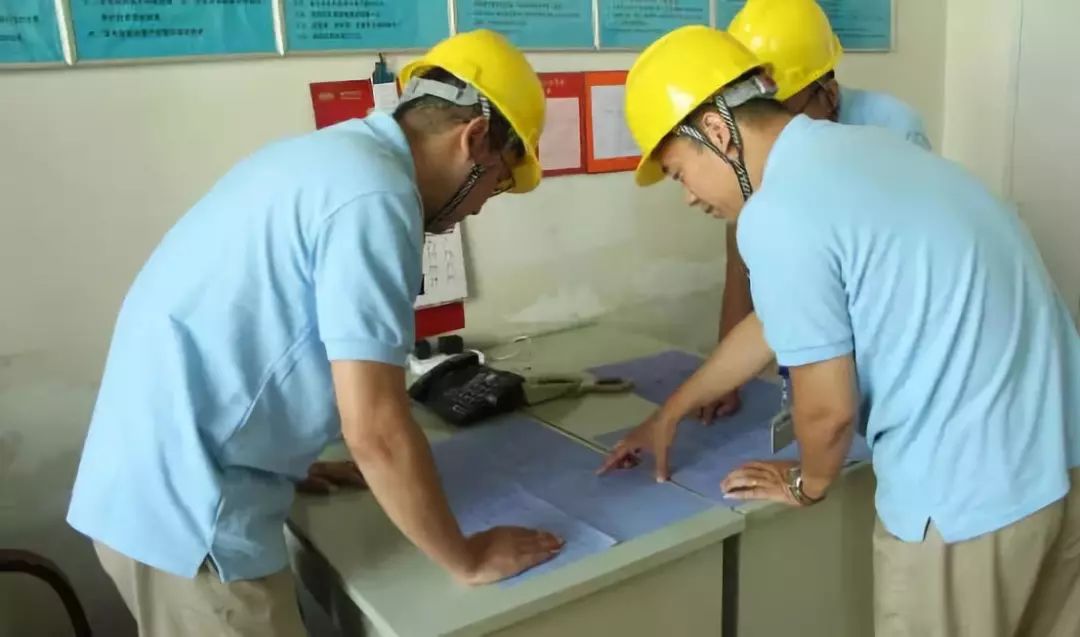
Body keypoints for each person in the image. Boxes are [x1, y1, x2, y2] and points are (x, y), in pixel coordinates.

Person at [66, 29, 562, 637]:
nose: (484, 203)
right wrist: (468, 557)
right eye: (500, 179)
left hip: (149, 481)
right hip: (191, 518)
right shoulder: (377, 197)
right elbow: (375, 429)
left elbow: (254, 328)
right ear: (475, 138)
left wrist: (284, 459)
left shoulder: (329, 158)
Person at [600, 25, 1080, 636]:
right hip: (1059, 465)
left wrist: (809, 480)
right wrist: (672, 411)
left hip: (963, 505)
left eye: (677, 174)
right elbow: (778, 320)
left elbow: (827, 412)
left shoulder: (779, 211)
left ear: (717, 133)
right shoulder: (871, 150)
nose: (690, 198)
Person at [703, 0, 931, 423]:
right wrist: (724, 381)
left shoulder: (892, 129)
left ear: (828, 93)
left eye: (780, 113)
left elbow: (904, 277)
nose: (766, 130)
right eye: (753, 115)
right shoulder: (755, 142)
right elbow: (741, 260)